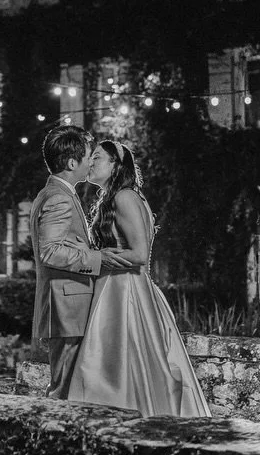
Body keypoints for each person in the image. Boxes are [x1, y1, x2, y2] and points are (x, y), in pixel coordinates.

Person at [67, 140, 211, 417]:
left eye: (97, 158)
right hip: (118, 286)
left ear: (115, 166)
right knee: (120, 363)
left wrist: (98, 255)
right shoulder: (119, 196)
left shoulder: (125, 197)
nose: (91, 163)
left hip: (124, 290)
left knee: (115, 363)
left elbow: (140, 254)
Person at [29, 125, 137, 399]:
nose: (92, 161)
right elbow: (50, 251)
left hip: (68, 306)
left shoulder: (58, 193)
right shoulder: (58, 198)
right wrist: (97, 257)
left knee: (71, 387)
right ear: (72, 162)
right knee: (64, 391)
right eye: (90, 155)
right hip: (68, 308)